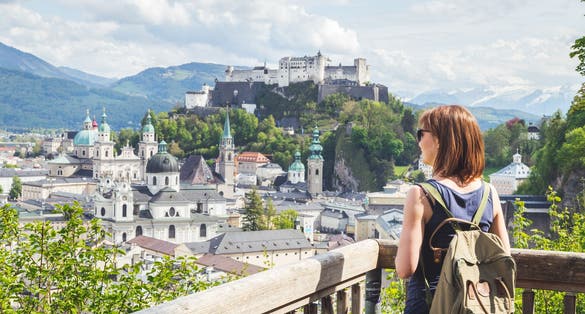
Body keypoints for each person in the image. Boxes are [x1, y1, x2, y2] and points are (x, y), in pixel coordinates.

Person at [395, 105, 511, 314]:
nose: (419, 141)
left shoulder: (421, 194)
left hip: (429, 306)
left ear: (438, 140)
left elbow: (405, 268)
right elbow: (504, 257)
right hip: (476, 304)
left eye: (421, 134)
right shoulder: (489, 193)